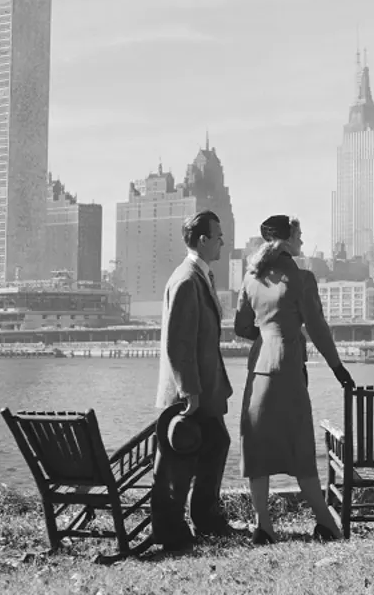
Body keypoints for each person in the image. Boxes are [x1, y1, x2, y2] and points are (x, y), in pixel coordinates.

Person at [235, 215, 355, 544]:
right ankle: (327, 523)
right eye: (299, 234)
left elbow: (240, 326)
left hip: (258, 369)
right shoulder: (302, 278)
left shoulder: (252, 276)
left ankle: (263, 526)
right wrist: (337, 368)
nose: (302, 239)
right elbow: (317, 328)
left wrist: (266, 335)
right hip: (287, 369)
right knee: (299, 447)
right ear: (288, 239)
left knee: (256, 447)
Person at [152, 210, 235, 552]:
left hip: (201, 387)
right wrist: (189, 392)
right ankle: (176, 528)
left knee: (214, 444)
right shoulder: (187, 279)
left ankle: (203, 519)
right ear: (203, 240)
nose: (222, 243)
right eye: (218, 237)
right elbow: (178, 342)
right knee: (179, 459)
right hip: (191, 392)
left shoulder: (199, 276)